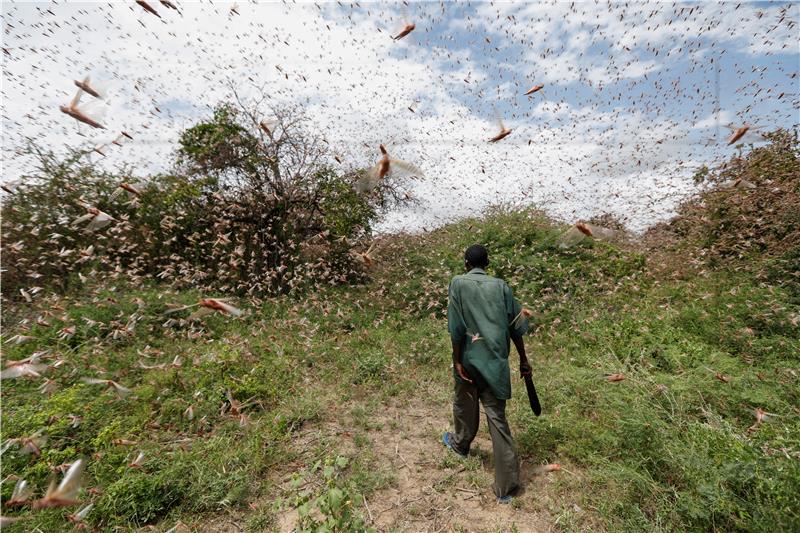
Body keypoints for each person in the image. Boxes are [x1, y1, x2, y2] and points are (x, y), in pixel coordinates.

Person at [442, 244, 531, 503]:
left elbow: (456, 327)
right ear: (488, 263)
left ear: (466, 263)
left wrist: (457, 359)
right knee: (497, 421)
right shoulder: (501, 287)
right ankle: (507, 488)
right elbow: (517, 326)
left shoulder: (458, 283)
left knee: (465, 402)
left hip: (470, 359)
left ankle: (460, 444)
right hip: (495, 363)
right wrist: (524, 360)